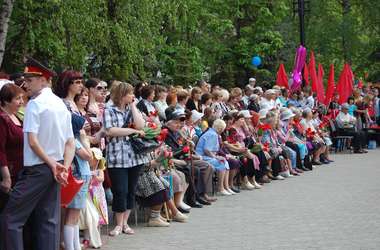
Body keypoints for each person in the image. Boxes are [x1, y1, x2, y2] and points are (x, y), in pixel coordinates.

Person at [1, 57, 75, 250]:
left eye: (30, 79)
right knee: (48, 221)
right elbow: (70, 143)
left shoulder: (35, 104)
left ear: (43, 79)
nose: (26, 84)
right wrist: (63, 168)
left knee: (11, 218)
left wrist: (53, 165)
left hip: (39, 168)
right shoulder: (61, 104)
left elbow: (33, 142)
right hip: (55, 166)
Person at [103, 81, 148, 236]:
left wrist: (134, 106)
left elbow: (140, 126)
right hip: (117, 157)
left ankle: (125, 224)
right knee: (119, 191)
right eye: (130, 93)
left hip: (135, 157)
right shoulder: (109, 110)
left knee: (131, 190)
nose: (133, 95)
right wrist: (130, 130)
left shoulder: (132, 108)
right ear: (122, 95)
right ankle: (118, 224)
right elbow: (110, 131)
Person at [63, 114, 92, 250]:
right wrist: (84, 138)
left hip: (79, 176)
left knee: (74, 215)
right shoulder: (75, 140)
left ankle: (75, 246)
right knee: (73, 214)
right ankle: (70, 247)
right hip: (80, 177)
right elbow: (88, 156)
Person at [0, 83, 25, 210]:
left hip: (19, 172)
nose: (21, 102)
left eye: (22, 98)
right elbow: (1, 150)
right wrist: (6, 177)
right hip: (9, 174)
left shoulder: (15, 117)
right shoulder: (2, 119)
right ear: (6, 100)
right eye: (17, 99)